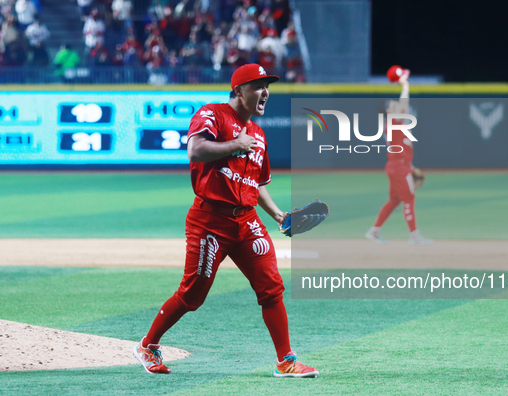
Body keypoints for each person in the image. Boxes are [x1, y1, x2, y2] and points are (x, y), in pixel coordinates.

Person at [133, 63, 319, 378]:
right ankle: (148, 345)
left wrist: (278, 215)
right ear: (238, 91)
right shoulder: (213, 115)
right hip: (209, 220)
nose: (265, 93)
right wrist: (235, 144)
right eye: (259, 86)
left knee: (272, 289)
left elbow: (255, 184)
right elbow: (194, 150)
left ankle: (286, 360)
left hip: (246, 222)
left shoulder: (258, 134)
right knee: (193, 295)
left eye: (267, 86)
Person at [365, 69, 433, 245]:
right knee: (409, 198)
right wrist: (405, 85)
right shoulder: (393, 120)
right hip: (398, 166)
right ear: (389, 111)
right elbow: (404, 105)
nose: (396, 105)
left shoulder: (398, 121)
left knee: (395, 200)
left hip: (400, 165)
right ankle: (414, 236)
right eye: (393, 104)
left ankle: (374, 231)